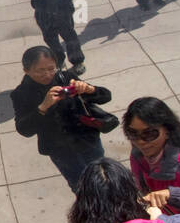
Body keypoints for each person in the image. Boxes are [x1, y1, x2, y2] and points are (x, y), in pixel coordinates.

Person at [11, 45, 111, 190]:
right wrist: (43, 107)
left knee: (104, 178)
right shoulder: (21, 94)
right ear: (26, 70)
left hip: (88, 140)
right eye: (40, 70)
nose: (47, 74)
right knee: (81, 186)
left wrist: (90, 90)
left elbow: (106, 96)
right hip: (62, 151)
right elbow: (24, 129)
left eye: (51, 68)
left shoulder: (65, 78)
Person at [124, 97, 180, 223]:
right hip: (170, 220)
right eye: (133, 134)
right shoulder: (138, 154)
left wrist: (172, 195)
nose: (141, 142)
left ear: (167, 130)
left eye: (149, 134)